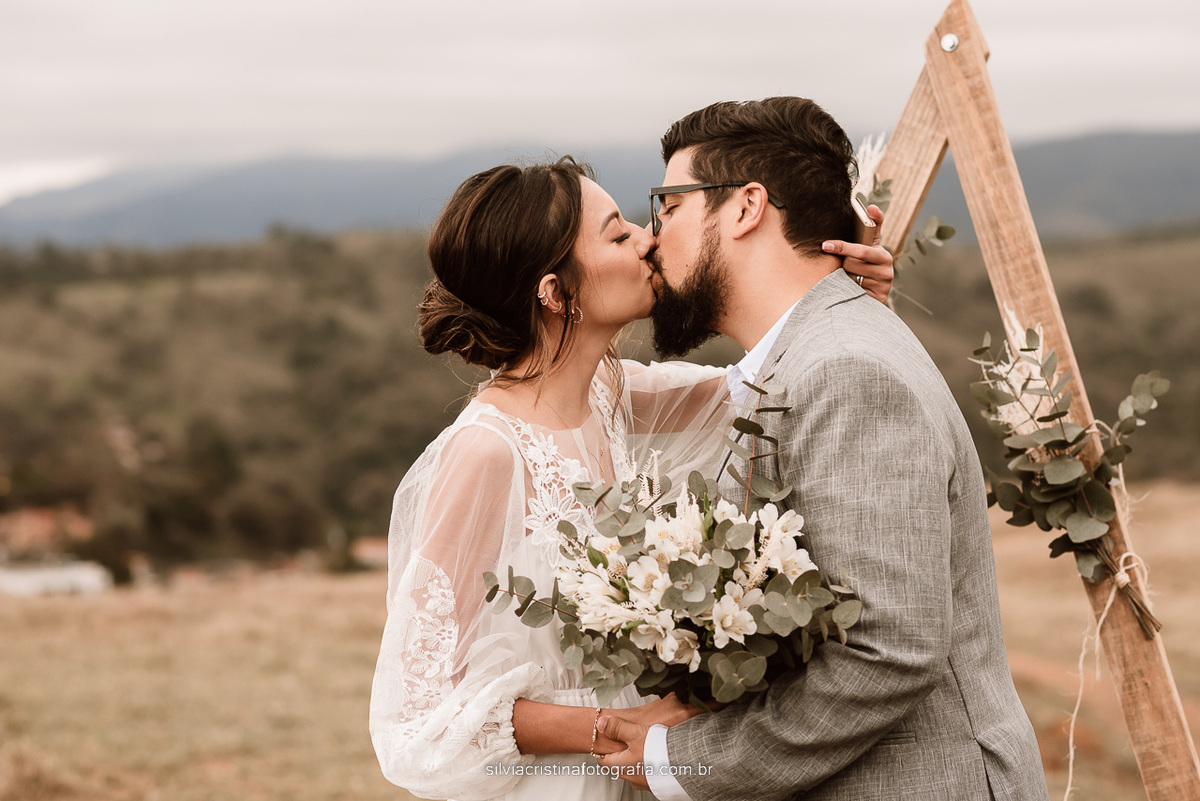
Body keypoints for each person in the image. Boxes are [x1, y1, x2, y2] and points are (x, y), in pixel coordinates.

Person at [368, 156, 895, 801]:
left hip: (647, 773)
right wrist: (611, 728)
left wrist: (845, 301)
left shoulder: (616, 396)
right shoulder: (485, 452)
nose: (648, 240)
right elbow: (418, 718)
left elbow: (786, 385)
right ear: (555, 293)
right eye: (618, 235)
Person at [596, 98, 1048, 800]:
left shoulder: (845, 369)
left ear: (746, 207)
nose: (652, 237)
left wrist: (681, 758)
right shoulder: (803, 358)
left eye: (667, 205)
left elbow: (887, 650)